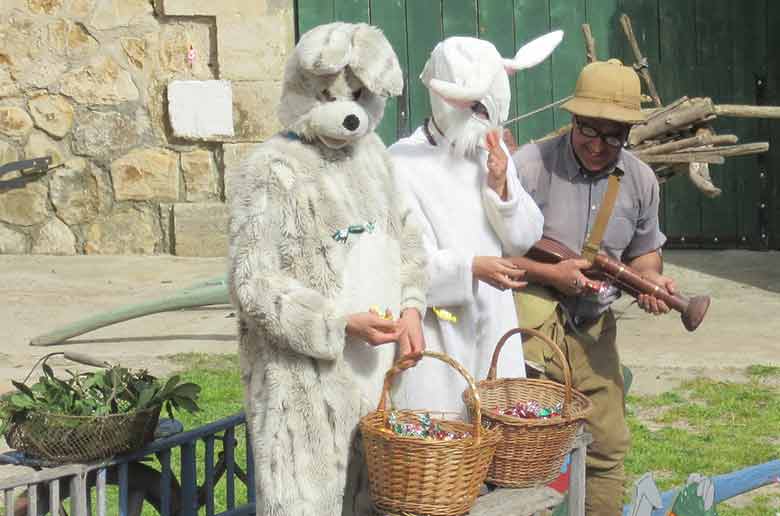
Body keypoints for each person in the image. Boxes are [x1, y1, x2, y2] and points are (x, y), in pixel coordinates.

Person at [227, 23, 426, 516]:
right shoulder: (273, 167)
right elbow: (253, 282)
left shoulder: (376, 159)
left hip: (375, 384)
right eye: (329, 95)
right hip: (303, 392)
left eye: (356, 95)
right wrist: (336, 323)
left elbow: (408, 239)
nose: (347, 111)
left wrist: (414, 307)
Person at [507, 58, 674, 515]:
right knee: (525, 446)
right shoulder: (529, 168)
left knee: (607, 446)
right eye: (588, 130)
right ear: (572, 119)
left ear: (628, 133)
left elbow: (645, 250)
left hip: (593, 322)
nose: (599, 145)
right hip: (529, 323)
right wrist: (551, 274)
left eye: (613, 134)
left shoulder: (639, 179)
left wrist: (651, 279)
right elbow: (494, 259)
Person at [390, 33, 562, 414]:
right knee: (444, 453)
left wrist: (502, 189)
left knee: (497, 449)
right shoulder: (402, 163)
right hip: (438, 335)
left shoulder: (489, 151)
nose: (487, 122)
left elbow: (524, 237)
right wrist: (471, 267)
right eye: (476, 107)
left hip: (495, 328)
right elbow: (402, 263)